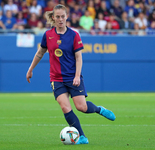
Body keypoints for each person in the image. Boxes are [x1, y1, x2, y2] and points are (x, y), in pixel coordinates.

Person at [26, 4, 116, 145]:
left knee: (82, 107)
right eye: (58, 17)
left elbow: (79, 58)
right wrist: (30, 69)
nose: (60, 19)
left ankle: (99, 109)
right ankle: (82, 137)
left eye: (63, 16)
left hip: (73, 76)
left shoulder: (74, 35)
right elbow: (40, 53)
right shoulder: (48, 35)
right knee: (65, 107)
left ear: (67, 17)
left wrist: (76, 76)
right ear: (54, 18)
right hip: (56, 79)